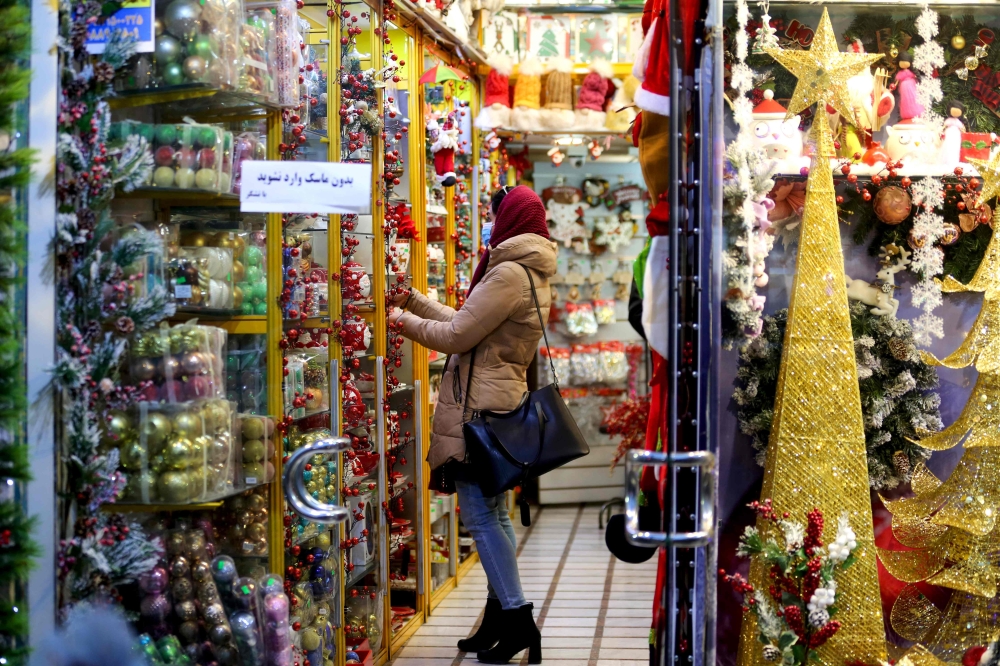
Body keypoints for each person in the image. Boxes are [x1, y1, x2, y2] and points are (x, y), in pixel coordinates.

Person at [388, 185, 555, 664]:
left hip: (478, 412)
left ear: (510, 220)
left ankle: (519, 618)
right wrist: (417, 302)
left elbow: (457, 335)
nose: (490, 222)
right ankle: (501, 618)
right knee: (494, 517)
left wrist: (400, 320)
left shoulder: (507, 273)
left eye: (495, 214)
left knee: (482, 519)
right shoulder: (528, 270)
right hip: (497, 405)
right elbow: (469, 323)